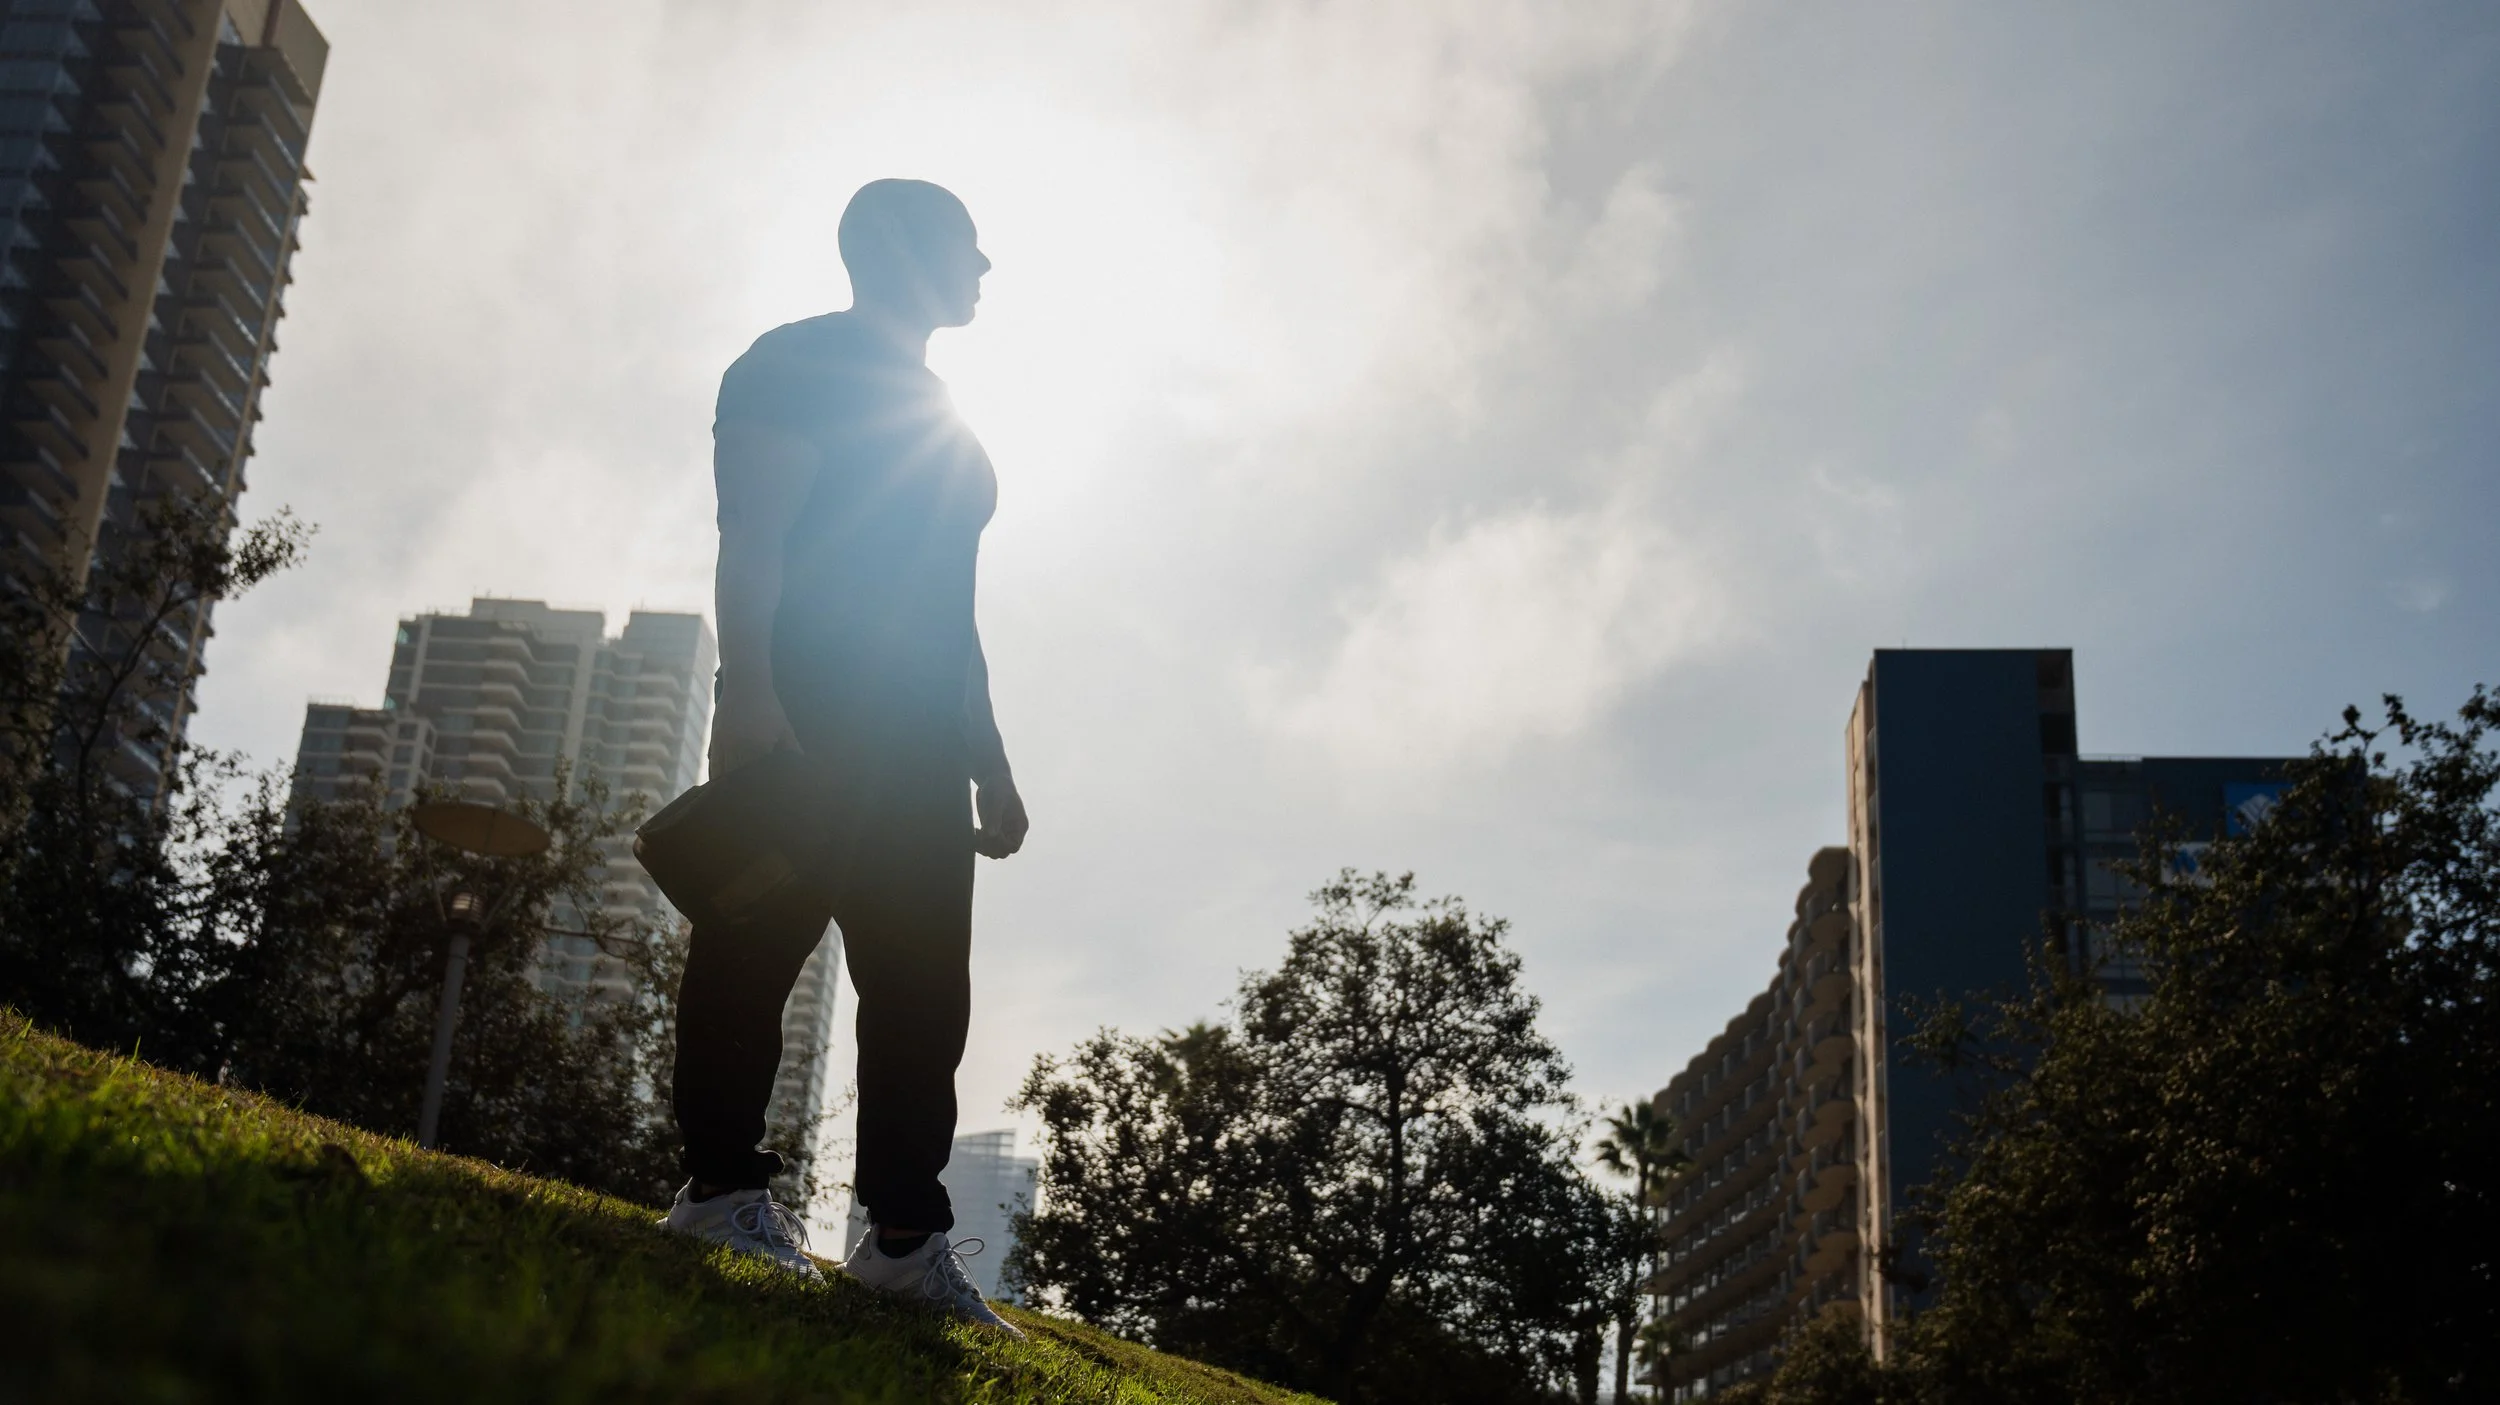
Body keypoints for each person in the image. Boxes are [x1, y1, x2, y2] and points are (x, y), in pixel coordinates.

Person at [657, 178, 1028, 1336]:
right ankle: (719, 1194)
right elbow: (752, 535)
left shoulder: (945, 415)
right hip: (814, 712)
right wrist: (750, 694)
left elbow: (950, 608)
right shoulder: (791, 364)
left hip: (920, 742)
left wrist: (991, 756)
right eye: (968, 244)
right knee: (754, 949)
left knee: (922, 994)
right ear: (906, 250)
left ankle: (904, 1246)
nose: (985, 266)